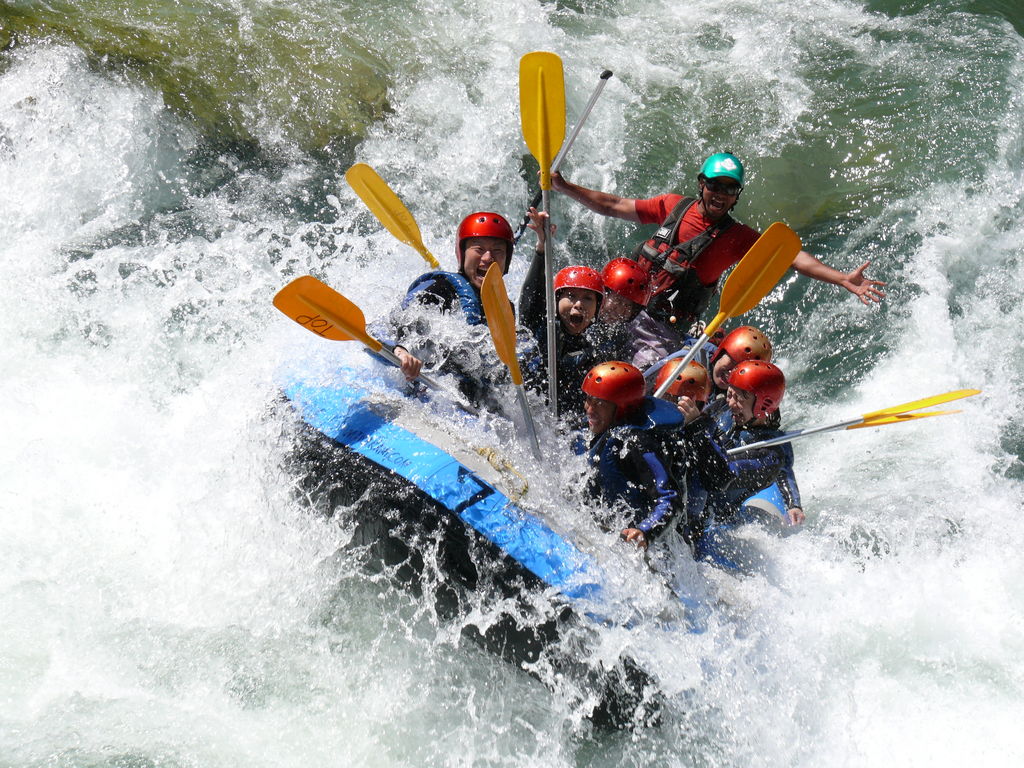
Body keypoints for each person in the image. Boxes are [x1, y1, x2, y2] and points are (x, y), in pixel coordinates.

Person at [551, 152, 886, 361]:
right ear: (702, 184)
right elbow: (613, 206)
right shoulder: (673, 205)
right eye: (715, 185)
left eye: (730, 189)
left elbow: (791, 257)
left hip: (660, 331)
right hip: (618, 308)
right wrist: (565, 187)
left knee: (634, 375)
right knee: (573, 339)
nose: (721, 195)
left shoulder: (737, 238)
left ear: (736, 195)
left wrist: (842, 278)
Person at [385, 211, 517, 408]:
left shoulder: (505, 309)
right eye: (479, 249)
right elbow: (403, 318)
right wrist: (402, 350)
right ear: (462, 254)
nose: (488, 258)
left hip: (474, 405)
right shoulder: (441, 287)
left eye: (498, 251)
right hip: (429, 390)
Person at [686, 361, 804, 561]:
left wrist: (794, 503)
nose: (731, 402)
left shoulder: (769, 456)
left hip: (708, 520)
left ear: (762, 404)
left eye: (742, 397)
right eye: (731, 393)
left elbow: (720, 476)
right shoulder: (724, 408)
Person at [579, 361, 689, 550]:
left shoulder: (638, 444)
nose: (589, 409)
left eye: (599, 403)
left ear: (622, 408)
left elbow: (670, 498)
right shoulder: (601, 427)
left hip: (637, 542)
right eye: (589, 399)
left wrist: (646, 531)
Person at [518, 208, 604, 416]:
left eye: (587, 298)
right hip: (522, 408)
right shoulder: (540, 325)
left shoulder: (593, 351)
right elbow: (531, 295)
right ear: (555, 301)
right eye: (571, 296)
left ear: (597, 309)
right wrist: (542, 247)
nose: (578, 304)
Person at [588, 257, 653, 366]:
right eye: (617, 301)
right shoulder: (583, 314)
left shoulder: (624, 336)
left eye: (627, 306)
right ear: (603, 293)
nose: (620, 311)